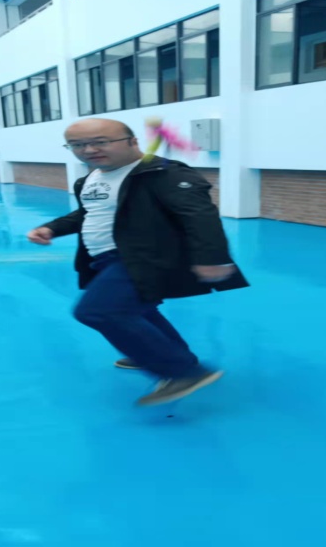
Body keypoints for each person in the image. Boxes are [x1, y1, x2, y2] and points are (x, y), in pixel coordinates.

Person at [27, 118, 248, 406]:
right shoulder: (90, 178)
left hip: (144, 257)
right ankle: (166, 355)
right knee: (139, 310)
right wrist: (52, 228)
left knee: (97, 311)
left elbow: (199, 215)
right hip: (103, 258)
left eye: (101, 142)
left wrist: (212, 257)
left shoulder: (164, 173)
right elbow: (89, 213)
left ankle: (181, 372)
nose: (89, 150)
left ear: (132, 141)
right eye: (77, 145)